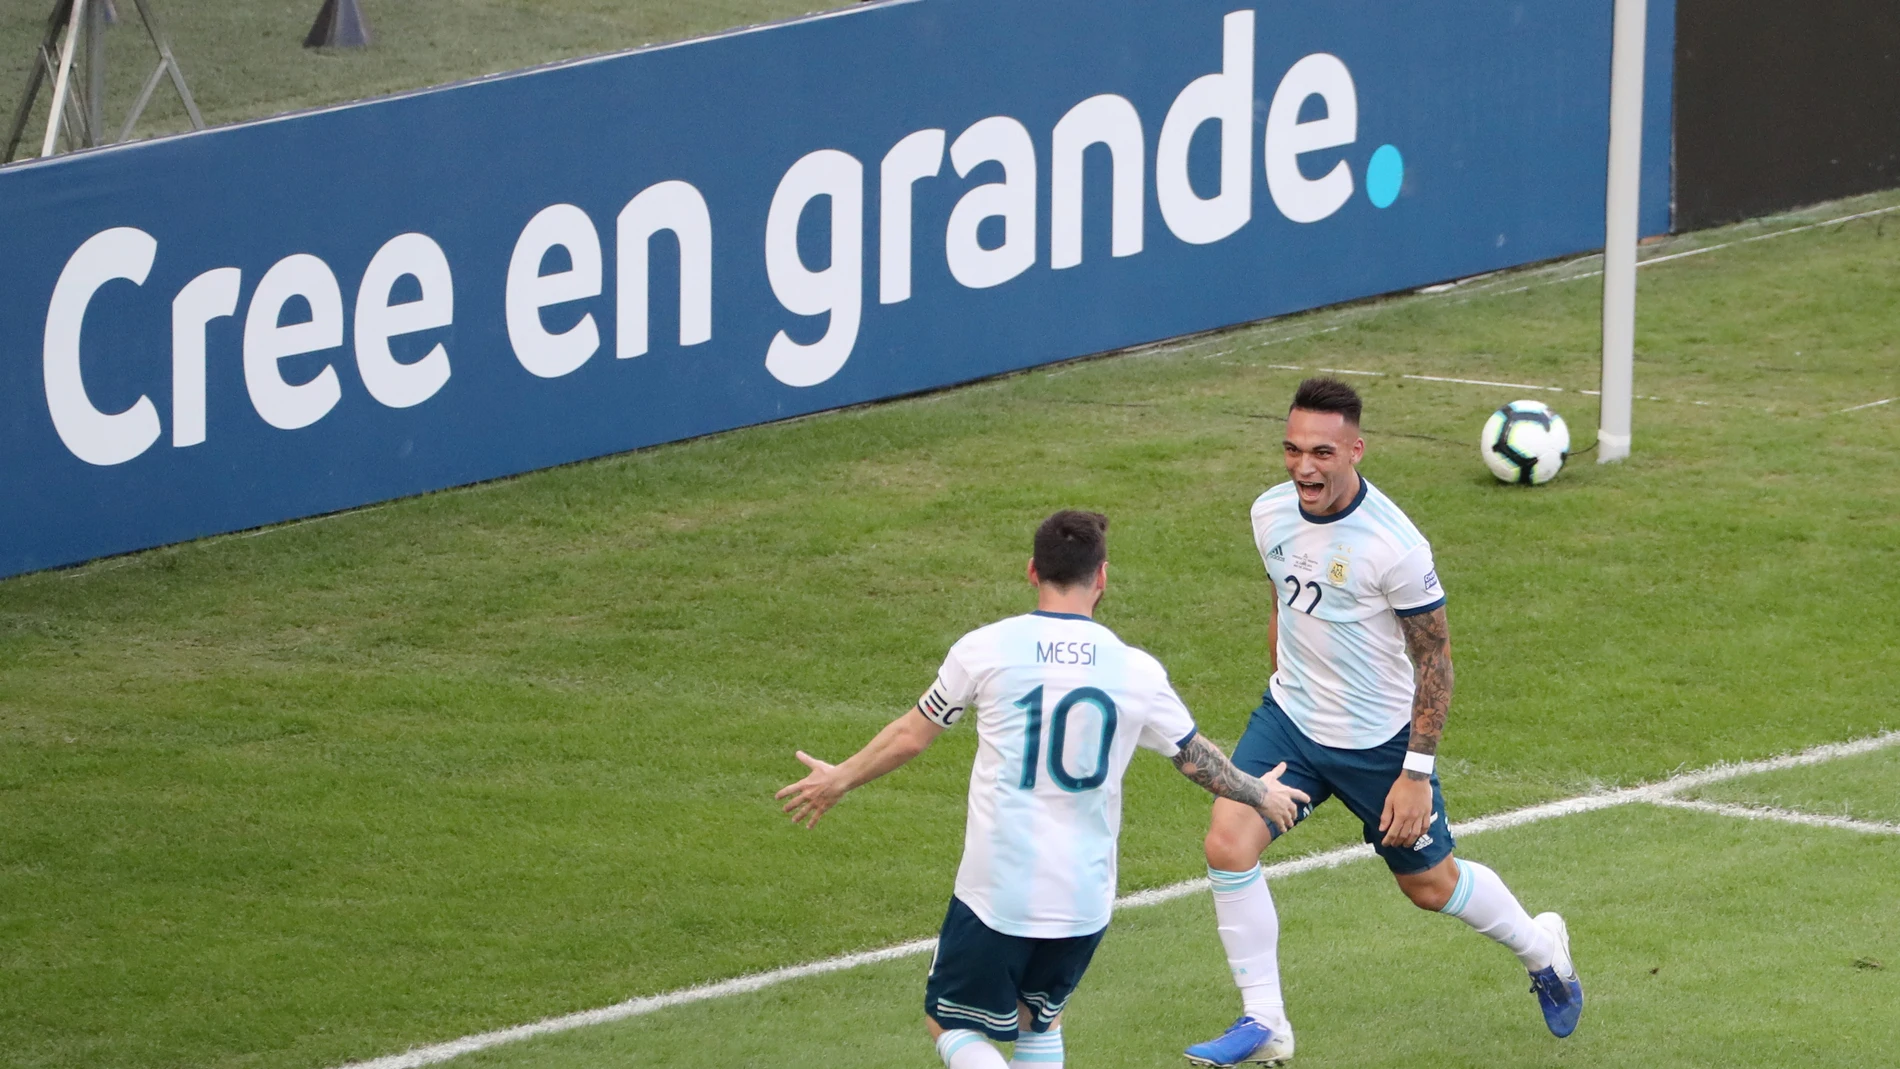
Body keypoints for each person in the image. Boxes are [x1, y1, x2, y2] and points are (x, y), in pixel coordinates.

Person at [779, 510, 1310, 1069]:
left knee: (949, 1021)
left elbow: (913, 735)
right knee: (1041, 1020)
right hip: (1084, 898)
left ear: (1032, 571)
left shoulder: (985, 649)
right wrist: (1259, 793)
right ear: (1101, 577)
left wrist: (839, 777)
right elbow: (1196, 759)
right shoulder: (1136, 671)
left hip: (998, 889)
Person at [1182, 378, 1583, 1068]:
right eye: (1292, 449)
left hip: (1378, 744)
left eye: (1321, 452)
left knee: (1430, 887)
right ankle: (1266, 1020)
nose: (1303, 466)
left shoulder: (1393, 544)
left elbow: (1435, 660)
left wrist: (1415, 773)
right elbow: (1284, 597)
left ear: (1355, 449)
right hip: (1292, 723)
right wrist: (1288, 679)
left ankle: (1542, 948)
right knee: (1227, 842)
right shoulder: (1269, 513)